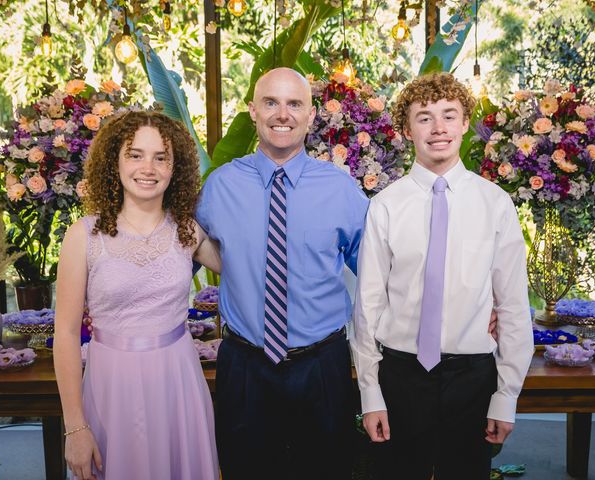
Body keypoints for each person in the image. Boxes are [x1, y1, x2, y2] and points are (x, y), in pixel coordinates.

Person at [350, 72, 534, 479]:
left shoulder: (495, 205)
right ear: (405, 129)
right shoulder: (385, 206)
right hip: (400, 376)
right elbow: (368, 306)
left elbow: (514, 307)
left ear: (465, 123)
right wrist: (371, 392)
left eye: (449, 116)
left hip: (472, 378)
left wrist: (506, 396)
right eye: (424, 117)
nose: (438, 129)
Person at [196, 67, 369, 479]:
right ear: (253, 111)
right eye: (271, 102)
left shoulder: (341, 189)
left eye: (295, 104)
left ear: (311, 117)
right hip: (245, 366)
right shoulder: (219, 187)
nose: (282, 114)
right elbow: (176, 255)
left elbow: (381, 275)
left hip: (322, 367)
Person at [53, 111, 220, 480]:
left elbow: (244, 266)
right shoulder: (83, 236)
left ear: (175, 167)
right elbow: (64, 335)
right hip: (111, 389)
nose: (149, 167)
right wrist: (75, 426)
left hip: (178, 386)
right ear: (115, 161)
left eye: (161, 157)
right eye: (135, 154)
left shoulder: (187, 231)